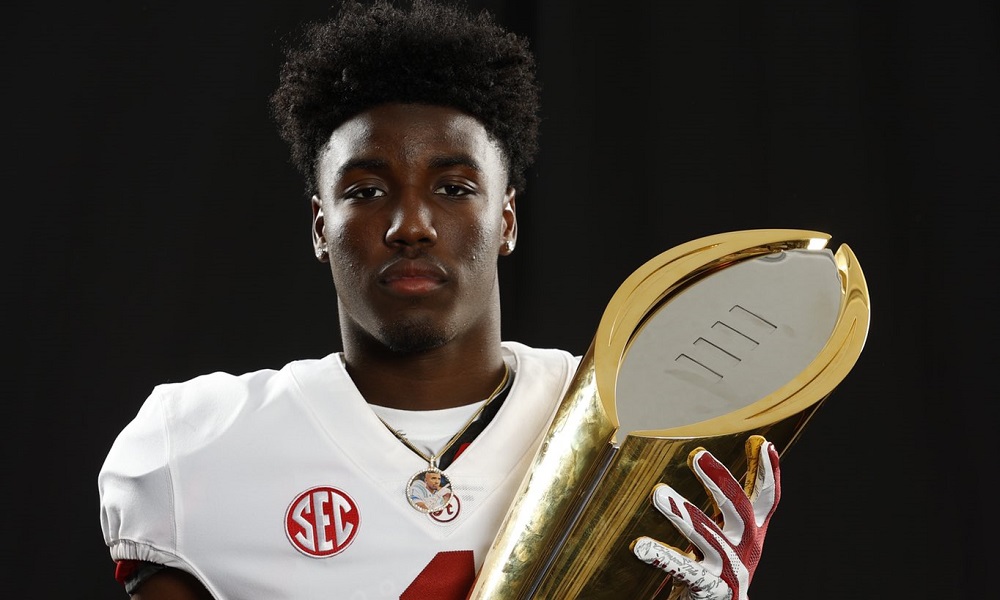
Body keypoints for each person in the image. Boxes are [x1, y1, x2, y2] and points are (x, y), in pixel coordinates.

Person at [98, 2, 781, 599]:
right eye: (366, 191)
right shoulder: (198, 446)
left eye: (454, 188)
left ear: (507, 221)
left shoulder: (621, 425)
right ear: (319, 228)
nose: (411, 225)